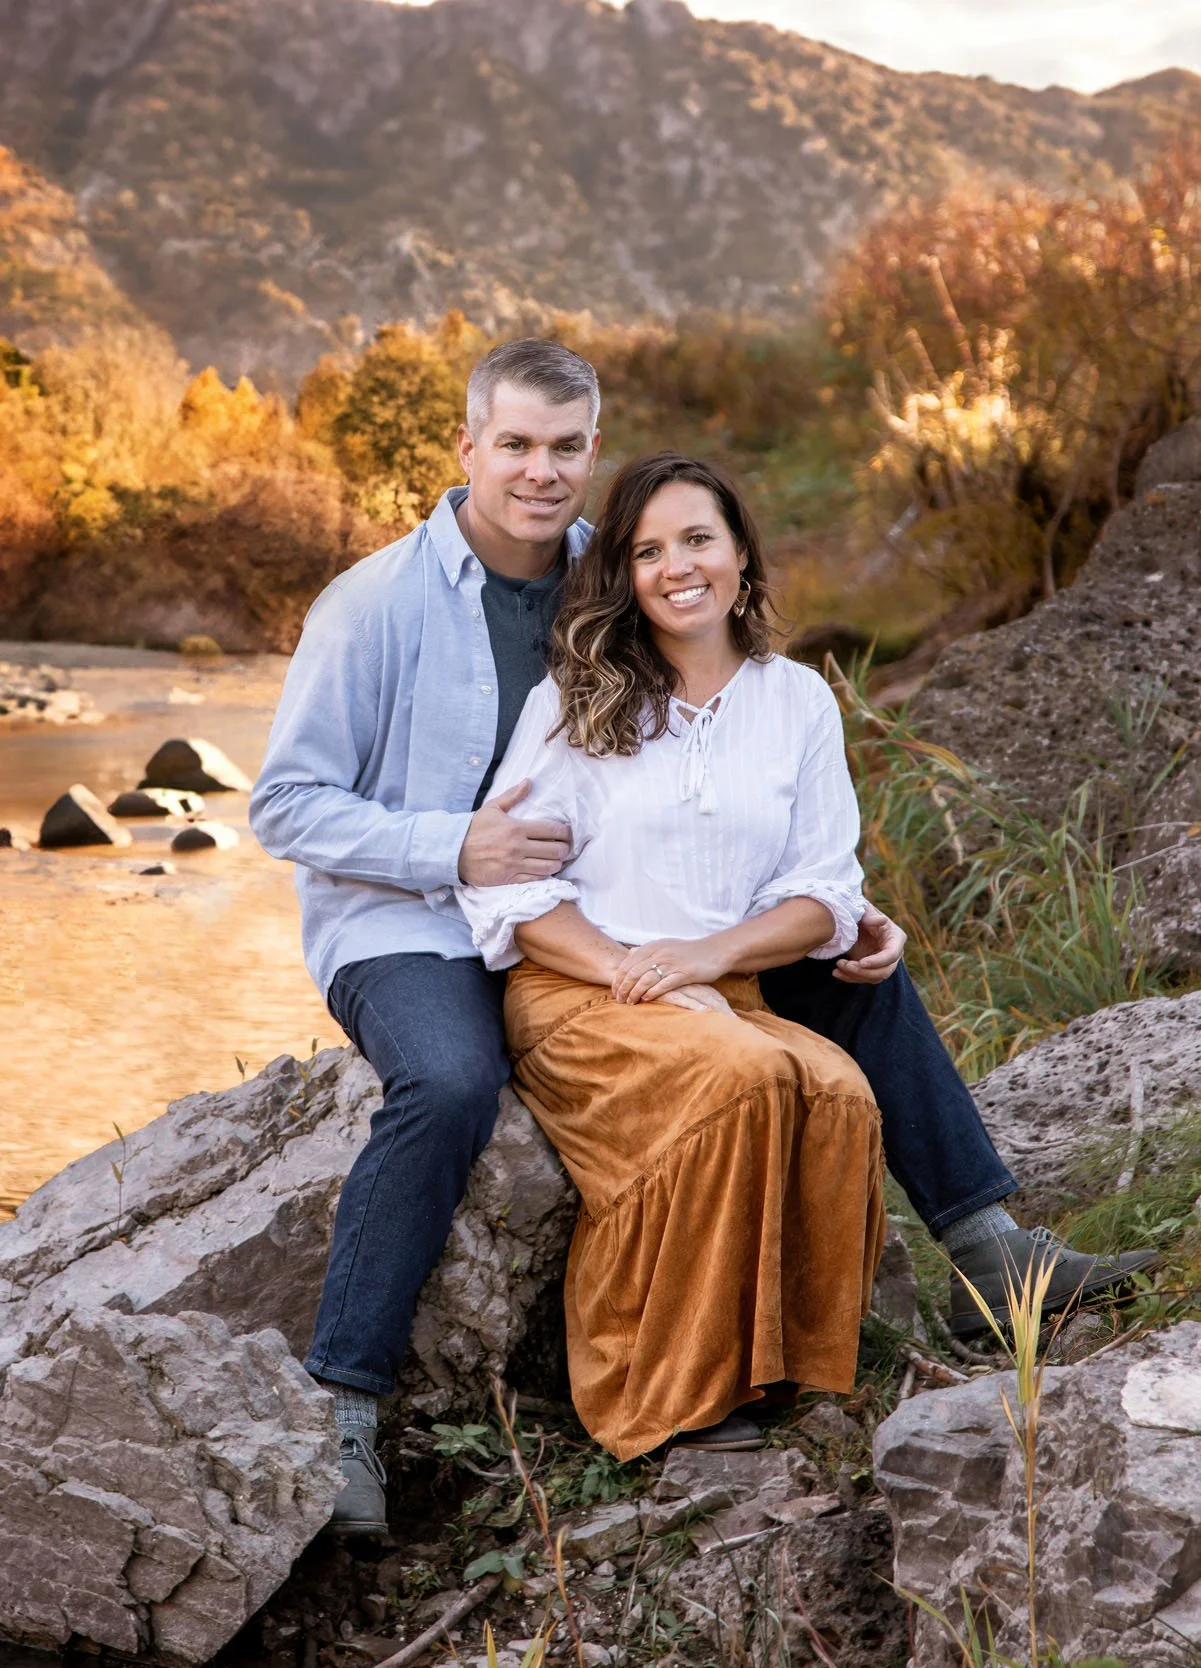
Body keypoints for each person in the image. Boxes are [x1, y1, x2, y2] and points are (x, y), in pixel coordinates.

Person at [250, 339, 1153, 1527]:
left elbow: (706, 773)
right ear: (466, 448)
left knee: (855, 972)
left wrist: (834, 913)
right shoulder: (375, 602)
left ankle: (993, 1254)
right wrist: (450, 846)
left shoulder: (613, 568)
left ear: (592, 451)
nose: (540, 471)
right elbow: (282, 805)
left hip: (608, 909)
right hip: (407, 915)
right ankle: (347, 1403)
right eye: (514, 445)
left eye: (565, 447)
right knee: (453, 1081)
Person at [457, 452, 888, 1458]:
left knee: (835, 1089)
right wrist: (624, 968)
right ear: (625, 576)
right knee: (739, 1079)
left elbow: (823, 891)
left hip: (715, 988)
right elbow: (507, 887)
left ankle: (778, 1371)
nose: (675, 566)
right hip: (580, 993)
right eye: (647, 551)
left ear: (740, 553)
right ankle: (661, 1395)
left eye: (696, 539)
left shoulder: (796, 702)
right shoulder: (577, 702)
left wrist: (703, 959)